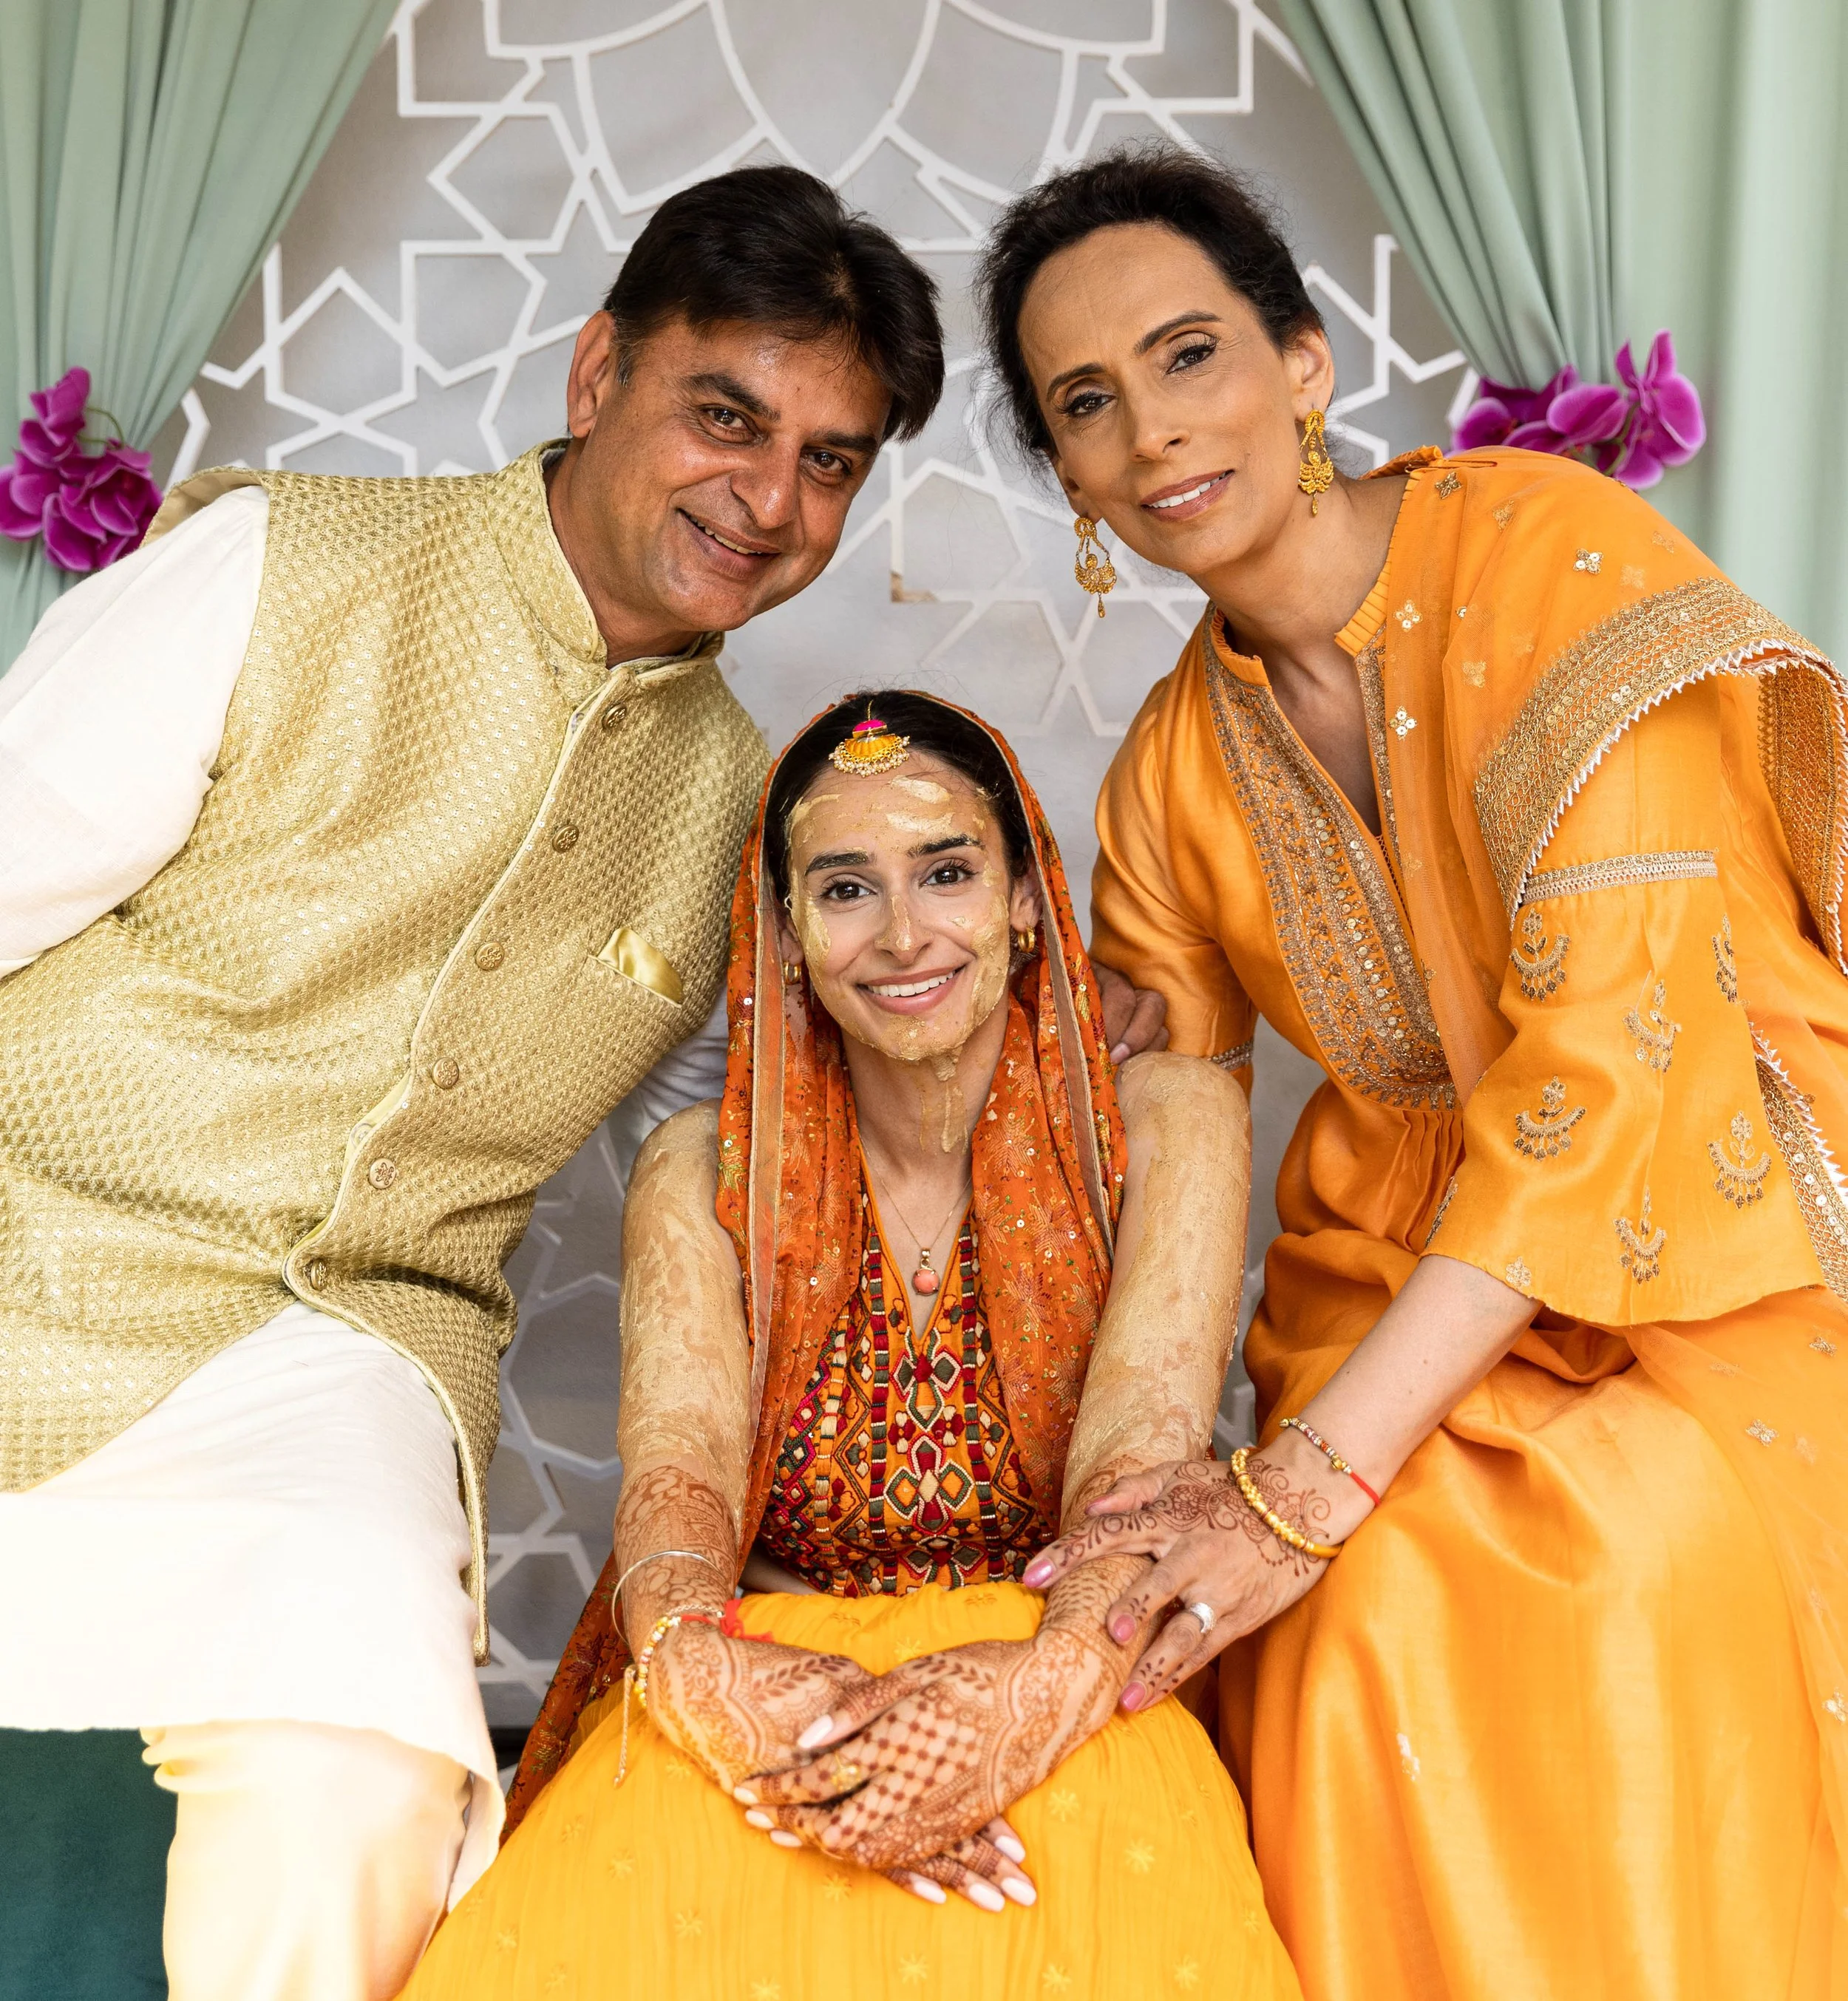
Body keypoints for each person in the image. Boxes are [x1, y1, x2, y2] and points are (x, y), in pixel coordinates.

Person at [0, 166, 948, 2001]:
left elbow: (768, 1132)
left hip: (329, 1358)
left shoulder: (734, 809)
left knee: (355, 1750)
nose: (767, 500)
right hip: (32, 1234)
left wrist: (1053, 1028)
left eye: (830, 461)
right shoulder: (281, 567)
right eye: (725, 416)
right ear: (599, 371)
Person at [977, 147, 1848, 1999]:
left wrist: (1291, 1495)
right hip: (1403, 1285)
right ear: (1066, 477)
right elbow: (1162, 1103)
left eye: (1188, 354)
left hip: (1722, 1225)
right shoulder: (1171, 769)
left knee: (1608, 1570)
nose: (1150, 433)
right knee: (1337, 1631)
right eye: (1086, 405)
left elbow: (1610, 1075)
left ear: (1300, 361)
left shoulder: (1557, 562)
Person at [400, 691, 1302, 2001]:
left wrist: (1022, 1708)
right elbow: (680, 1487)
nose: (902, 933)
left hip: (1065, 1655)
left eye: (947, 872)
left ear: (1026, 900)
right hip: (771, 1668)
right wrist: (722, 1693)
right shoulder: (707, 1166)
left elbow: (1137, 1471)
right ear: (785, 933)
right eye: (842, 889)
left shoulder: (1164, 1124)